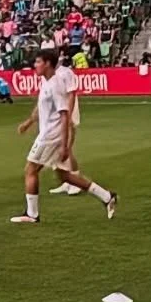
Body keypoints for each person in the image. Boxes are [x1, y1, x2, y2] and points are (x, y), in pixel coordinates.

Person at [12, 51, 117, 223]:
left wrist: (64, 145)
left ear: (47, 63)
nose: (34, 65)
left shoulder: (55, 85)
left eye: (38, 62)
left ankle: (32, 214)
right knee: (65, 176)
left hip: (50, 136)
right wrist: (29, 122)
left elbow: (64, 114)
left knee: (30, 170)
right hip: (50, 134)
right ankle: (107, 197)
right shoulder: (47, 83)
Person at [48, 54, 85, 196]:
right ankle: (67, 181)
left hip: (67, 113)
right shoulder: (50, 74)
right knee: (57, 150)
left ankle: (76, 181)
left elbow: (71, 94)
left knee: (67, 148)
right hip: (57, 115)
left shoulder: (65, 73)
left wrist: (68, 115)